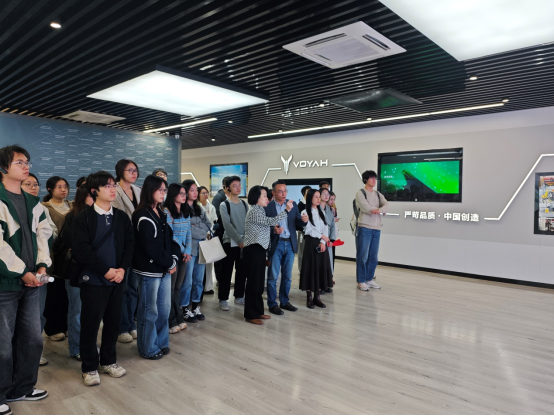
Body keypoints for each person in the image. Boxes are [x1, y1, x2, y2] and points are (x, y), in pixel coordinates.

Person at [0, 145, 51, 416]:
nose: (26, 165)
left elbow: (44, 235)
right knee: (2, 344)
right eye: (19, 162)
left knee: (32, 339)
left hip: (32, 282)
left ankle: (22, 387)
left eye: (27, 161)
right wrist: (22, 272)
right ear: (3, 167)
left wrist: (42, 265)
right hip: (5, 283)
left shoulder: (34, 203)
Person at [72, 171, 134, 386]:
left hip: (117, 279)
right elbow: (82, 251)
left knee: (113, 323)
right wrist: (106, 270)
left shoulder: (121, 217)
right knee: (90, 324)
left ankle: (108, 361)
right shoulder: (83, 218)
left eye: (113, 185)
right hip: (93, 280)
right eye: (107, 186)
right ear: (94, 191)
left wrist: (122, 269)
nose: (112, 189)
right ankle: (89, 367)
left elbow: (129, 245)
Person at [132, 176, 180, 360]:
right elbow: (150, 247)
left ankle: (161, 342)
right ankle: (147, 347)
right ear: (149, 190)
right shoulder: (142, 214)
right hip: (149, 270)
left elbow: (170, 241)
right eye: (160, 189)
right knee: (149, 310)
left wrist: (173, 259)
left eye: (164, 190)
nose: (163, 193)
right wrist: (170, 262)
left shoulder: (160, 212)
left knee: (163, 309)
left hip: (164, 268)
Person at [21, 174, 58, 367]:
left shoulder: (41, 208)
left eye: (35, 184)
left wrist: (42, 266)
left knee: (37, 313)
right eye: (28, 184)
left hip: (39, 269)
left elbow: (50, 233)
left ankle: (35, 352)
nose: (33, 187)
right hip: (17, 272)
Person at [244, 186, 293, 325]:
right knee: (253, 283)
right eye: (264, 196)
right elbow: (270, 222)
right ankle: (250, 314)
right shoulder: (254, 210)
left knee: (259, 283)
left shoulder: (260, 210)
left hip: (260, 250)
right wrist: (286, 210)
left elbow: (266, 228)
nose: (267, 198)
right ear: (256, 198)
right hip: (253, 250)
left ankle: (258, 311)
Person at [60, 185, 94, 362]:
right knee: (77, 310)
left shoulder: (99, 215)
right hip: (76, 269)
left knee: (91, 312)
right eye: (91, 195)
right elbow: (71, 241)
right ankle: (77, 347)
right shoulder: (73, 217)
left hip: (95, 270)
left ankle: (88, 345)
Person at [265, 181, 308, 316]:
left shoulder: (292, 204)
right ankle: (272, 304)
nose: (283, 194)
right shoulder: (268, 207)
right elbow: (265, 226)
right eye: (280, 191)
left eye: (285, 191)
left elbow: (297, 222)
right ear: (273, 193)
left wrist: (303, 220)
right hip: (276, 244)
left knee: (287, 277)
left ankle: (284, 301)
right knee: (273, 277)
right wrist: (274, 230)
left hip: (290, 244)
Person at [113, 159, 142, 344]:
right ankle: (121, 327)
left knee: (133, 288)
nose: (134, 173)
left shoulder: (138, 190)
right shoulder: (114, 191)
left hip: (138, 244)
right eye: (130, 170)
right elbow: (119, 219)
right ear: (120, 172)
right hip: (122, 244)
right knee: (122, 288)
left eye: (135, 170)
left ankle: (131, 323)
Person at [42, 176, 72, 343]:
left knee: (68, 293)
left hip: (70, 256)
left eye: (65, 186)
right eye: (59, 187)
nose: (63, 189)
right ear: (50, 189)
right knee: (54, 293)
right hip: (53, 255)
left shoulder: (72, 205)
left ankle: (66, 325)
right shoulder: (44, 207)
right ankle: (53, 327)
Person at [180, 180, 211, 323]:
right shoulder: (181, 208)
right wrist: (199, 228)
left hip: (201, 248)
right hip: (189, 249)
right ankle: (184, 307)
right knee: (187, 281)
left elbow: (208, 225)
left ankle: (195, 306)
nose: (195, 193)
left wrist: (195, 227)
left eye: (195, 190)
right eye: (192, 190)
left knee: (199, 280)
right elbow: (186, 230)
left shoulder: (199, 208)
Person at [164, 184, 192, 335]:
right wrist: (182, 250)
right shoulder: (166, 211)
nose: (184, 196)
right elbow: (170, 234)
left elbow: (189, 232)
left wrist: (188, 250)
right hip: (173, 255)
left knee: (177, 288)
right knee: (170, 288)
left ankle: (179, 317)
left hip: (184, 255)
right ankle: (171, 320)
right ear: (173, 194)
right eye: (181, 193)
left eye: (185, 193)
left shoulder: (186, 211)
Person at [218, 176, 249, 311]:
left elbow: (248, 223)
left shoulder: (244, 204)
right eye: (235, 185)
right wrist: (239, 240)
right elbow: (227, 225)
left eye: (239, 185)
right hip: (229, 242)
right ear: (228, 188)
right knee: (226, 271)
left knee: (242, 270)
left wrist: (245, 240)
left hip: (244, 243)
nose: (238, 187)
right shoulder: (224, 204)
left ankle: (239, 296)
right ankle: (223, 299)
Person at [356, 171, 389, 292]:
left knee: (373, 256)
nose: (374, 180)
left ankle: (369, 279)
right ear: (365, 180)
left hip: (377, 227)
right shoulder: (360, 193)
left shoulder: (378, 194)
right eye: (371, 178)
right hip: (365, 227)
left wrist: (379, 210)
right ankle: (361, 281)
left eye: (375, 178)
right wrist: (379, 210)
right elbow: (366, 208)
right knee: (363, 256)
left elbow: (386, 204)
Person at [300, 190, 333, 309]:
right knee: (310, 269)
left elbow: (325, 227)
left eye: (319, 197)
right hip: (311, 242)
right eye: (316, 197)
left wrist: (323, 242)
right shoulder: (305, 212)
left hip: (321, 243)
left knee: (320, 268)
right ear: (310, 198)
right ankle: (309, 297)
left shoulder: (321, 211)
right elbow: (308, 229)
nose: (319, 199)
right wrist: (322, 237)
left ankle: (317, 297)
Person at [198, 186, 217, 295]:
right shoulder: (196, 207)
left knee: (209, 263)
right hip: (199, 237)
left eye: (207, 192)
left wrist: (211, 232)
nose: (206, 195)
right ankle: (199, 287)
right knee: (200, 263)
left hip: (209, 237)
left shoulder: (211, 207)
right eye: (203, 193)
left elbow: (213, 222)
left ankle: (208, 287)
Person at [319, 188, 337, 284]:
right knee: (320, 261)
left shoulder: (329, 209)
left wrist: (332, 239)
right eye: (324, 194)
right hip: (320, 238)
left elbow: (333, 225)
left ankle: (327, 280)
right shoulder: (316, 208)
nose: (326, 196)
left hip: (328, 239)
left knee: (328, 260)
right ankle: (320, 283)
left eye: (327, 194)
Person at [297, 186, 312, 274]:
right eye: (307, 191)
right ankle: (301, 269)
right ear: (304, 193)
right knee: (301, 251)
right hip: (302, 231)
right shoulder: (300, 204)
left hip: (310, 232)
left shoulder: (311, 203)